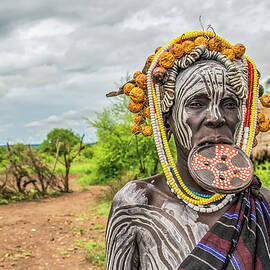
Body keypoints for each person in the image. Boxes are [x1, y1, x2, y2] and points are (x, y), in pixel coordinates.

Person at [105, 30, 270, 269]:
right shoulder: (136, 205)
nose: (216, 117)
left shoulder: (262, 203)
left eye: (229, 104)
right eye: (196, 104)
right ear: (167, 119)